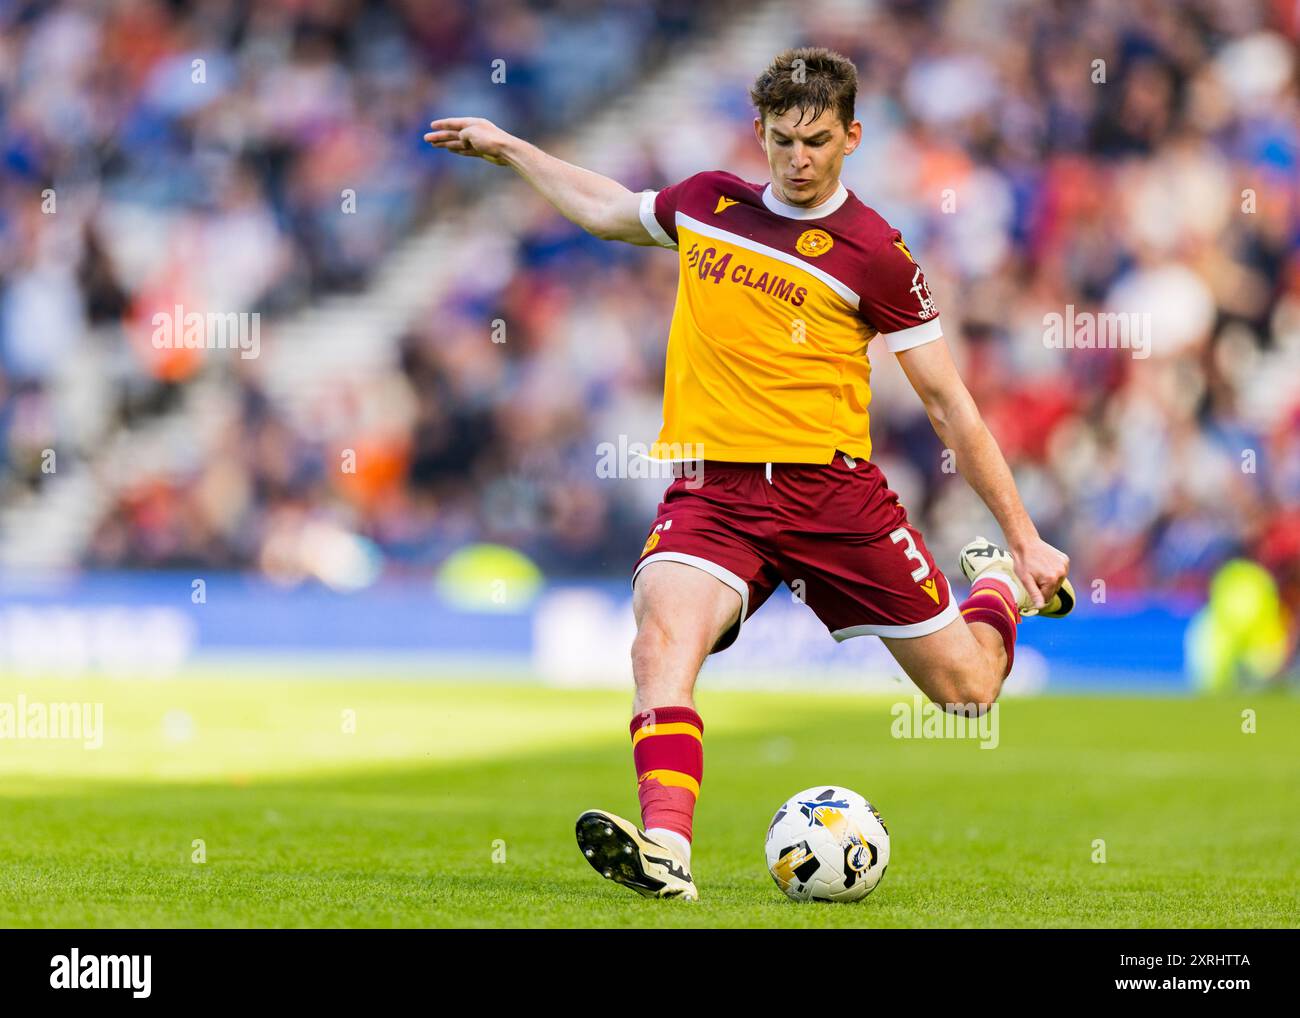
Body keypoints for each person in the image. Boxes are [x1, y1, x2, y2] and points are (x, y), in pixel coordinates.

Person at [424, 46, 1074, 902]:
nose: (797, 160)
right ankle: (667, 851)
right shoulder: (708, 203)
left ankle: (989, 588)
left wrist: (1022, 543)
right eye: (780, 141)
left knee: (968, 692)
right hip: (716, 493)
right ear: (758, 133)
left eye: (815, 141)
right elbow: (609, 210)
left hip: (836, 497)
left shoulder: (876, 252)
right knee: (660, 641)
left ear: (852, 136)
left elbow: (951, 404)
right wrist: (511, 147)